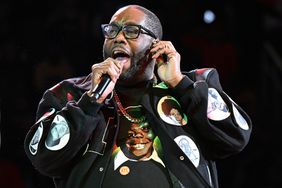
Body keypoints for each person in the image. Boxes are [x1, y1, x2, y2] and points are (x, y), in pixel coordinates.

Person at [24, 4, 252, 188]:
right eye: (112, 31)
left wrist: (180, 84)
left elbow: (236, 135)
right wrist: (91, 101)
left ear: (156, 45)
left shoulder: (194, 84)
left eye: (132, 31)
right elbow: (42, 157)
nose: (119, 38)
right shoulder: (70, 94)